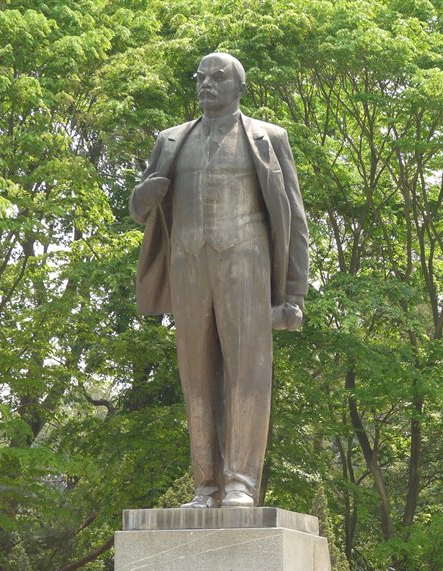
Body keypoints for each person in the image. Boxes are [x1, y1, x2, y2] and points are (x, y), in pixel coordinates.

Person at [130, 52, 309, 509]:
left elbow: (295, 219)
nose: (206, 83)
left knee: (248, 374)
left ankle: (240, 483)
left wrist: (293, 296)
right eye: (200, 77)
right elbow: (141, 208)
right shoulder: (171, 140)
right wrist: (141, 197)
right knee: (196, 378)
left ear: (239, 87)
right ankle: (205, 485)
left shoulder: (269, 139)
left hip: (247, 266)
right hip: (189, 268)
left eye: (218, 76)